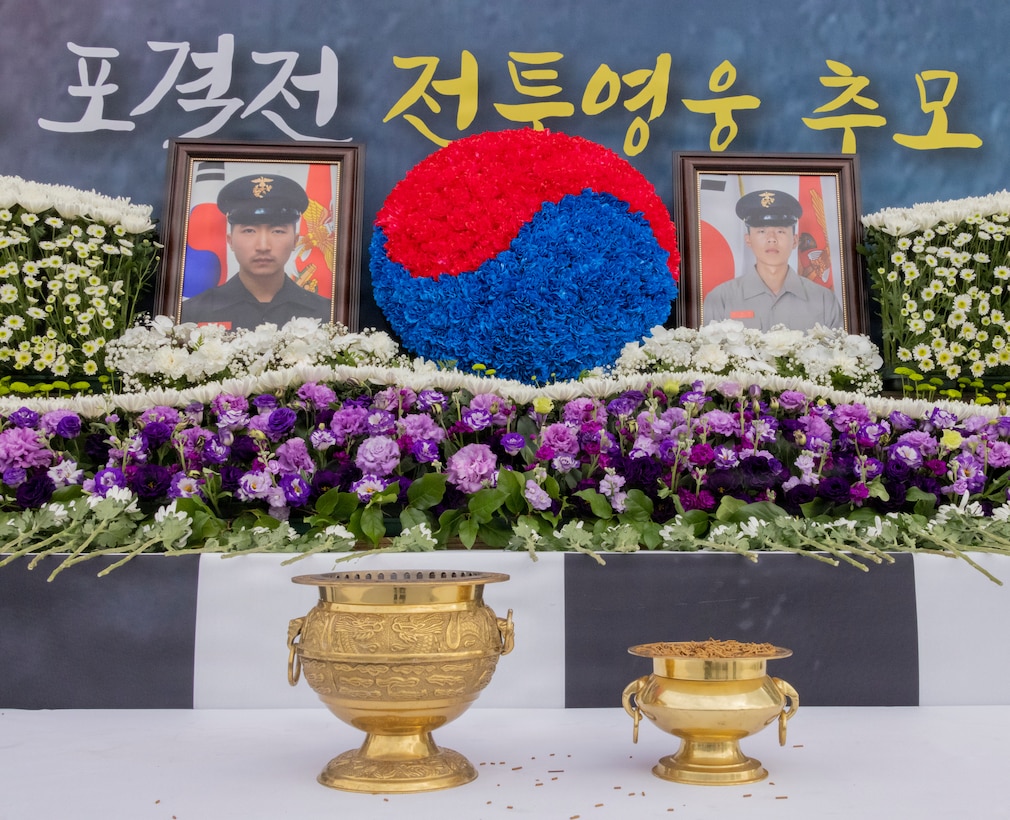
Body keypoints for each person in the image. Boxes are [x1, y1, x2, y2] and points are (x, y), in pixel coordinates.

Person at [180, 174, 332, 330]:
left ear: (295, 241)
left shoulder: (327, 315)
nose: (263, 246)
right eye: (249, 231)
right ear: (230, 241)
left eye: (278, 231)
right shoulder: (191, 316)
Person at [702, 189, 843, 331]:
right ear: (748, 240)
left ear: (795, 241)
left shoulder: (824, 300)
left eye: (780, 231)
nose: (771, 239)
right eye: (761, 231)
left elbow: (838, 351)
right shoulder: (721, 299)